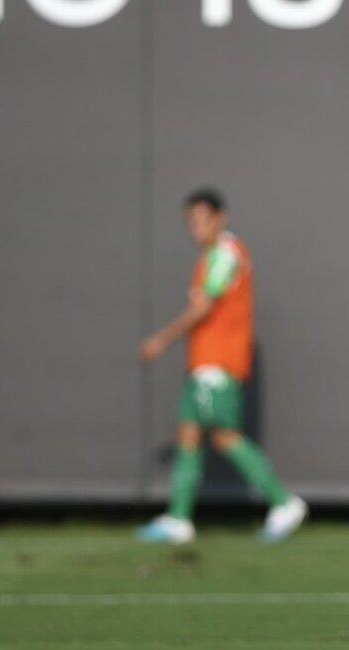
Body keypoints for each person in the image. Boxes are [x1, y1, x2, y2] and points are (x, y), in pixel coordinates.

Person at [137, 188, 306, 544]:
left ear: (220, 218)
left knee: (223, 434)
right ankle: (179, 519)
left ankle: (283, 502)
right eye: (191, 222)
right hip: (205, 361)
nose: (196, 228)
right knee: (189, 432)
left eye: (202, 220)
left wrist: (161, 340)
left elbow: (203, 308)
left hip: (218, 362)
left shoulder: (226, 254)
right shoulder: (213, 255)